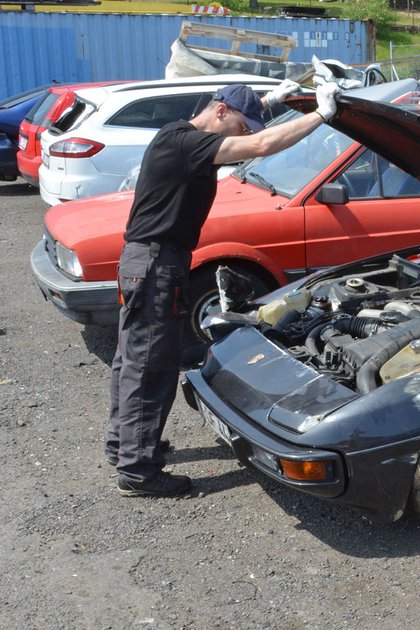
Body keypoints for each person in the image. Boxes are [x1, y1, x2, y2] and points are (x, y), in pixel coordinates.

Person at [105, 80, 340, 497]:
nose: (244, 133)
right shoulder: (188, 144)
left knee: (131, 360)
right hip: (157, 265)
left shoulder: (178, 134)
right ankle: (138, 471)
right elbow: (263, 146)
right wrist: (321, 114)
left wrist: (269, 101)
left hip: (145, 262)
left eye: (249, 125)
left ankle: (124, 446)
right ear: (219, 112)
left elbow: (244, 123)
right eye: (242, 124)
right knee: (151, 367)